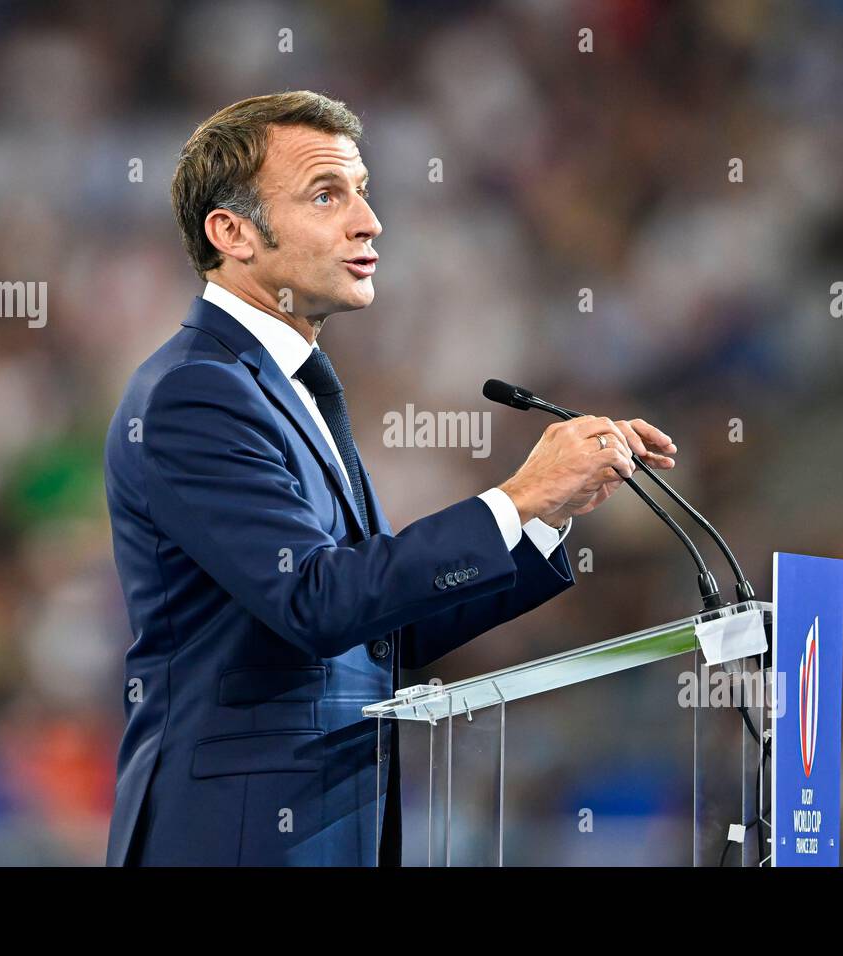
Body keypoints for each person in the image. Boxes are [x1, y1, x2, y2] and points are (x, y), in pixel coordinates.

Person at [103, 91, 677, 865]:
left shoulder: (287, 385)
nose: (368, 221)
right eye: (326, 195)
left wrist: (543, 516)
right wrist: (516, 497)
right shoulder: (194, 392)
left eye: (363, 191)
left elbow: (379, 630)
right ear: (232, 232)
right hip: (236, 838)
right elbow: (316, 600)